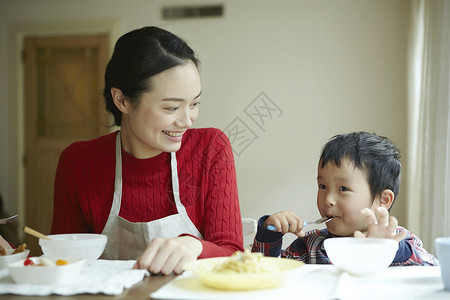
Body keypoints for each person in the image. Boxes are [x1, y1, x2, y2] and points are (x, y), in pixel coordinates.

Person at [51, 26, 244, 275]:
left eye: (194, 103)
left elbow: (232, 253)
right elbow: (63, 263)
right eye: (171, 108)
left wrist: (194, 246)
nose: (187, 120)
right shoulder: (77, 162)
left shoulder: (210, 148)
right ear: (122, 100)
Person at [252, 131, 437, 266]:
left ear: (383, 200)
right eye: (322, 186)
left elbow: (432, 269)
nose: (328, 199)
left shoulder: (399, 241)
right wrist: (270, 235)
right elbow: (263, 275)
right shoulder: (309, 246)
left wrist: (388, 249)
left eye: (343, 188)